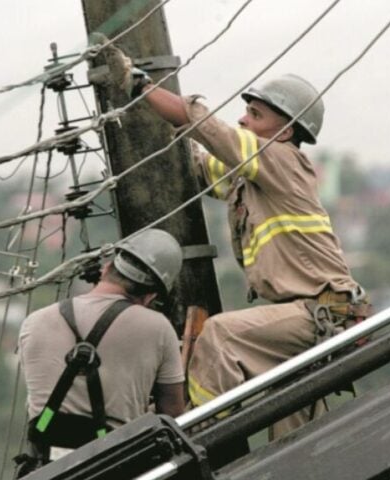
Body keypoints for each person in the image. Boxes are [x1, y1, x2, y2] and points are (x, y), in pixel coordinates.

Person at [108, 48, 370, 442]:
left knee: (221, 336)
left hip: (319, 313)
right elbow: (202, 164)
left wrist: (140, 86)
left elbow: (209, 129)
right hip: (305, 317)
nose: (244, 119)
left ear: (284, 132)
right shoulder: (255, 178)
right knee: (291, 427)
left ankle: (200, 434)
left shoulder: (282, 160)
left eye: (257, 116)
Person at [15, 228, 186, 476]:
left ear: (106, 269)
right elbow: (172, 414)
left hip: (48, 467)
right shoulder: (158, 328)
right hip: (114, 464)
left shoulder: (35, 321)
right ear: (150, 296)